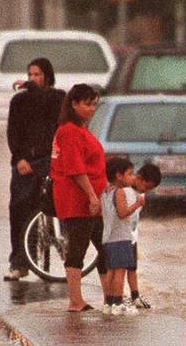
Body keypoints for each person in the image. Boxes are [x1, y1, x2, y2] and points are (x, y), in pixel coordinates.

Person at [4, 57, 65, 281]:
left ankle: (67, 249)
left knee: (61, 202)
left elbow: (61, 124)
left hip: (50, 160)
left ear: (47, 76)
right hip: (24, 162)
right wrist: (19, 158)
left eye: (37, 75)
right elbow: (13, 132)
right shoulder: (19, 101)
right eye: (30, 75)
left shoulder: (58, 98)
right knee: (19, 208)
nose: (32, 79)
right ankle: (19, 262)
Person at [50, 83, 108, 311]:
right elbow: (76, 170)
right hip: (78, 200)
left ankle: (111, 297)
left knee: (106, 248)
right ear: (74, 104)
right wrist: (93, 197)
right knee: (78, 249)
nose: (92, 108)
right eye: (87, 104)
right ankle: (76, 301)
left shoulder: (80, 130)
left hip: (91, 199)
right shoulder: (69, 132)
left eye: (94, 104)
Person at [100, 156, 146, 315]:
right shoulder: (119, 192)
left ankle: (109, 303)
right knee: (120, 272)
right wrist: (137, 204)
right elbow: (122, 212)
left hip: (108, 237)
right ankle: (118, 304)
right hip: (120, 237)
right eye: (129, 174)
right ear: (119, 176)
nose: (132, 178)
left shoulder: (105, 191)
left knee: (111, 271)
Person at [126, 163, 162, 310]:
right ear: (139, 178)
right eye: (146, 187)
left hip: (132, 235)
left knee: (132, 267)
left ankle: (135, 296)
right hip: (120, 236)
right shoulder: (125, 192)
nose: (146, 191)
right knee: (118, 268)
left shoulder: (140, 193)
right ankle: (114, 298)